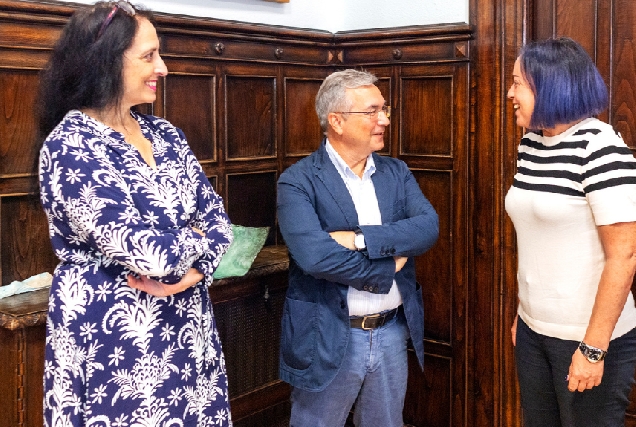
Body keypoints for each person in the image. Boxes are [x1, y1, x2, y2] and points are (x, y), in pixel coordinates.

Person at [37, 2, 234, 426]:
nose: (162, 67)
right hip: (114, 335)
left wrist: (196, 270)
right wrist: (197, 243)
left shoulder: (165, 134)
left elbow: (221, 224)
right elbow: (153, 257)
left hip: (187, 325)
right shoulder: (70, 147)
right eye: (148, 56)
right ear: (104, 62)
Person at [276, 69, 439, 427]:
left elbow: (428, 228)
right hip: (327, 334)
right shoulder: (297, 181)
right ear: (336, 121)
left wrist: (360, 239)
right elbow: (316, 257)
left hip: (392, 332)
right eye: (371, 111)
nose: (383, 120)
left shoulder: (397, 172)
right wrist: (385, 268)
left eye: (384, 109)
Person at [506, 37, 636, 426]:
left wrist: (593, 349)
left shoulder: (600, 147)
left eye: (518, 84)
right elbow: (539, 239)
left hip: (588, 338)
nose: (510, 93)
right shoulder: (531, 143)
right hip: (532, 331)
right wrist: (524, 313)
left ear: (551, 86)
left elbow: (624, 256)